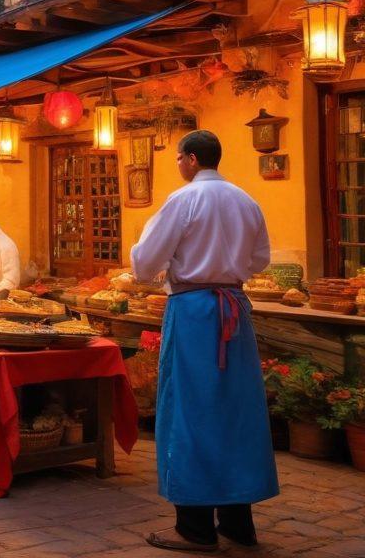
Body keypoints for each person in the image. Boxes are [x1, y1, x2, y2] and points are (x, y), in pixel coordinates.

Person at [131, 130, 277, 553]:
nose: (178, 165)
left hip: (195, 311)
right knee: (235, 411)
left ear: (191, 160)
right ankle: (237, 522)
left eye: (178, 158)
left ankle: (195, 527)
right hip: (234, 306)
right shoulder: (246, 200)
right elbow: (259, 259)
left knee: (190, 410)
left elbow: (144, 262)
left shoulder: (184, 200)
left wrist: (176, 263)